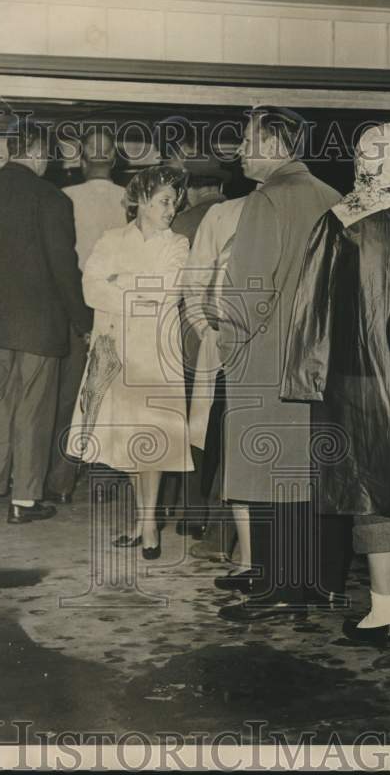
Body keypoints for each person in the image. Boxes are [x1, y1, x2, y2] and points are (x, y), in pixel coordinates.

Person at [282, 124, 390, 647]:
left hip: (358, 378)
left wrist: (305, 376)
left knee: (372, 493)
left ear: (361, 160)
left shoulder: (342, 220)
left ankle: (382, 612)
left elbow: (312, 307)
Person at [216, 106, 341, 622]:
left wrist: (228, 348)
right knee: (303, 475)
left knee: (268, 472)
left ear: (274, 145)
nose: (241, 150)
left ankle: (283, 589)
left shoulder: (266, 200)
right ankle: (304, 581)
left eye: (248, 140)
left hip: (266, 360)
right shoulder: (333, 198)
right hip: (320, 362)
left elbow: (248, 293)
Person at [0, 124, 92, 524]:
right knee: (33, 409)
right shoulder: (52, 199)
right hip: (39, 323)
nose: (49, 163)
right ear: (35, 152)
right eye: (47, 155)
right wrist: (82, 319)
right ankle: (24, 502)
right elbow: (64, 268)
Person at [66, 166, 192, 561]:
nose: (173, 209)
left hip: (155, 355)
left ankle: (150, 522)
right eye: (165, 201)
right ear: (141, 201)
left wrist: (119, 282)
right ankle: (142, 519)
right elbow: (90, 289)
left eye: (175, 201)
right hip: (116, 351)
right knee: (128, 440)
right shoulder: (111, 238)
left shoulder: (178, 244)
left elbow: (168, 294)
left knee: (151, 438)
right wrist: (135, 287)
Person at [44, 127, 128, 504]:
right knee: (110, 394)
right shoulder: (131, 199)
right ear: (114, 160)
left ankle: (60, 482)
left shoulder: (63, 197)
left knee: (69, 395)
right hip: (116, 307)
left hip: (71, 306)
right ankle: (105, 479)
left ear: (79, 162)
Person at [159, 154, 234, 537]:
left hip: (188, 342)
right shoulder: (241, 216)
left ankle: (189, 512)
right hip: (231, 338)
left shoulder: (180, 225)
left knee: (191, 431)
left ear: (189, 190)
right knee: (225, 430)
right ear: (219, 188)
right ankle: (224, 517)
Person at [181, 194, 248, 565]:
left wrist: (207, 331)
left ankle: (210, 530)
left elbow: (196, 285)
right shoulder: (312, 201)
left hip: (222, 342)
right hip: (269, 349)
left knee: (213, 439)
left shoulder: (223, 214)